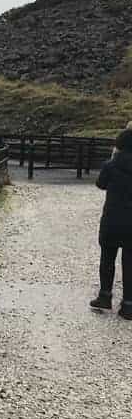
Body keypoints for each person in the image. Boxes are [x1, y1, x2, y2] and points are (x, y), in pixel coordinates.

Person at [91, 128, 132, 318]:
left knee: (107, 258)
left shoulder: (111, 165)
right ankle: (128, 304)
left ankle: (105, 296)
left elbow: (100, 184)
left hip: (112, 218)